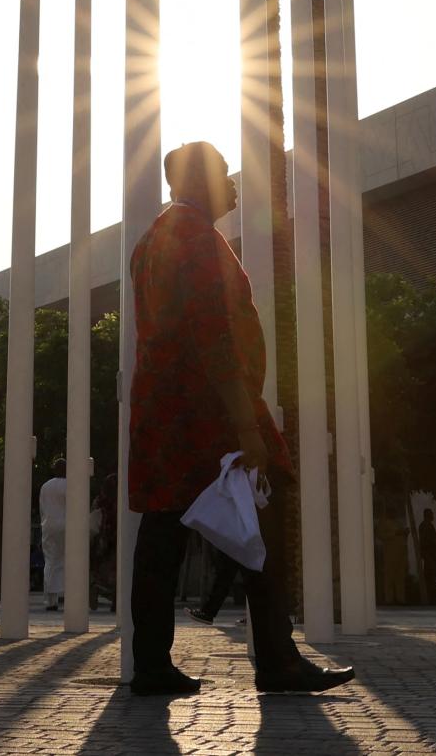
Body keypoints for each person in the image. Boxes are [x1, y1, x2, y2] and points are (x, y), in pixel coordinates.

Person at [127, 141, 353, 697]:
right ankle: (277, 659)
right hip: (208, 412)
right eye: (224, 175)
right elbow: (214, 335)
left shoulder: (151, 240)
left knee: (160, 532)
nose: (232, 186)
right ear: (200, 181)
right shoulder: (198, 241)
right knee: (265, 513)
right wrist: (247, 424)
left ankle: (151, 664)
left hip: (162, 410)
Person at [40, 468, 69, 611]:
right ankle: (63, 591)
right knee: (65, 559)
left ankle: (51, 598)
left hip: (48, 526)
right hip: (66, 525)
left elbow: (42, 508)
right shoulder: (70, 484)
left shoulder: (45, 486)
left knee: (51, 560)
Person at [414, 508, 436, 606]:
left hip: (431, 553)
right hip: (429, 553)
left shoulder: (428, 525)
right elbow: (428, 540)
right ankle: (430, 595)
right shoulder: (425, 526)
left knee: (431, 573)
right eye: (431, 514)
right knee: (430, 573)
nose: (433, 515)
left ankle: (431, 594)